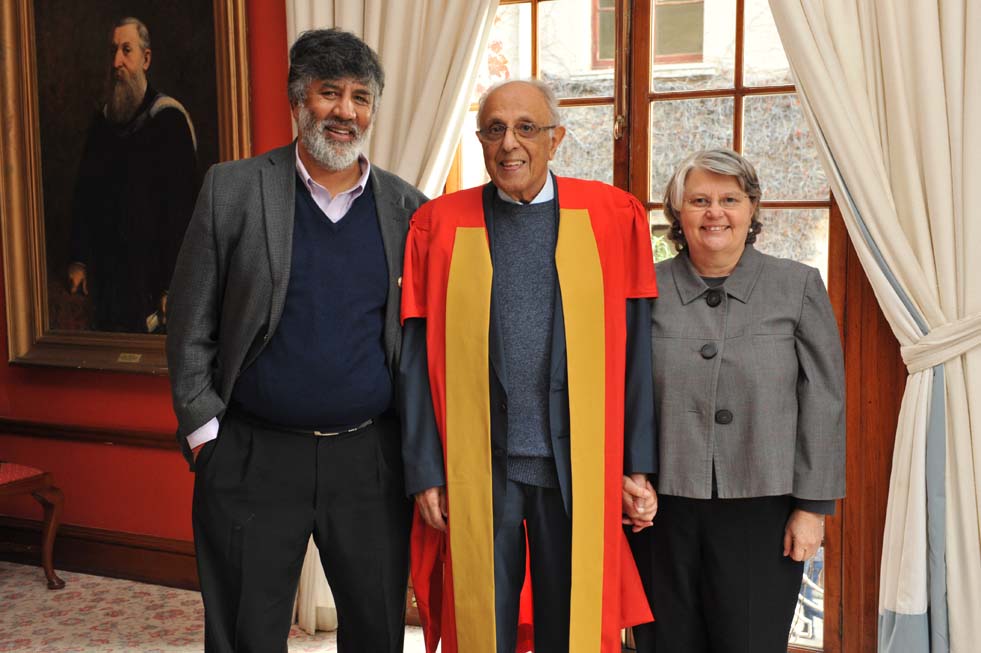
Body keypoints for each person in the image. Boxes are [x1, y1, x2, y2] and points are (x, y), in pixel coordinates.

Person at [166, 29, 427, 653]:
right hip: (253, 456)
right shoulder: (230, 191)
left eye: (361, 97)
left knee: (377, 633)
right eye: (329, 92)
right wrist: (207, 436)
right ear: (296, 100)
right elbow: (189, 323)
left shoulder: (410, 210)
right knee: (245, 635)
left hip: (369, 460)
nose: (345, 112)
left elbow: (419, 346)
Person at [400, 79, 658, 653]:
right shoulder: (439, 225)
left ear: (555, 138)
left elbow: (638, 350)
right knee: (481, 619)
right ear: (480, 140)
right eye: (494, 129)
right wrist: (424, 469)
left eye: (525, 128)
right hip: (478, 462)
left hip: (579, 464)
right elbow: (413, 360)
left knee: (573, 623)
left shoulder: (612, 217)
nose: (509, 143)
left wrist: (636, 463)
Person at [628, 149, 845, 653]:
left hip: (765, 511)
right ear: (676, 211)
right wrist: (628, 476)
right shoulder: (642, 291)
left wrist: (812, 508)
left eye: (730, 199)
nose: (714, 213)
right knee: (665, 644)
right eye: (699, 200)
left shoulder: (798, 287)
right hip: (659, 510)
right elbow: (620, 390)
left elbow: (824, 400)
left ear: (752, 210)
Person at [69, 17, 197, 333]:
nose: (117, 62)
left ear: (146, 58)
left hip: (153, 281)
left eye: (127, 51)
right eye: (113, 51)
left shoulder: (168, 120)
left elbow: (183, 212)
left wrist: (171, 285)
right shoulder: (103, 123)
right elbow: (84, 197)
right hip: (108, 276)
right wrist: (79, 260)